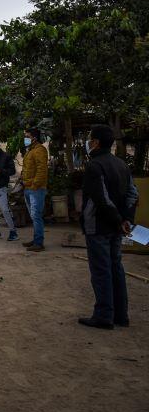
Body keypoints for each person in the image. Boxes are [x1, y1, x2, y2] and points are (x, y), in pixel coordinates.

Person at [78, 124, 139, 330]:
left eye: (89, 138)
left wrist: (118, 219)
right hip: (116, 227)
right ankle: (121, 315)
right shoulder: (121, 164)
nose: (87, 142)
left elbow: (101, 199)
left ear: (95, 142)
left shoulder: (95, 166)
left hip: (99, 226)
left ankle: (104, 315)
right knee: (116, 268)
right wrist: (126, 219)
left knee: (101, 270)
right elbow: (133, 194)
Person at [21, 127, 48, 252]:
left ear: (34, 138)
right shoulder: (31, 150)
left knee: (36, 216)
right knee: (34, 216)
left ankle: (39, 242)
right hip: (29, 187)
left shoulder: (39, 150)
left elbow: (42, 170)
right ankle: (37, 239)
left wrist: (35, 184)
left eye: (27, 136)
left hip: (35, 188)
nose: (25, 139)